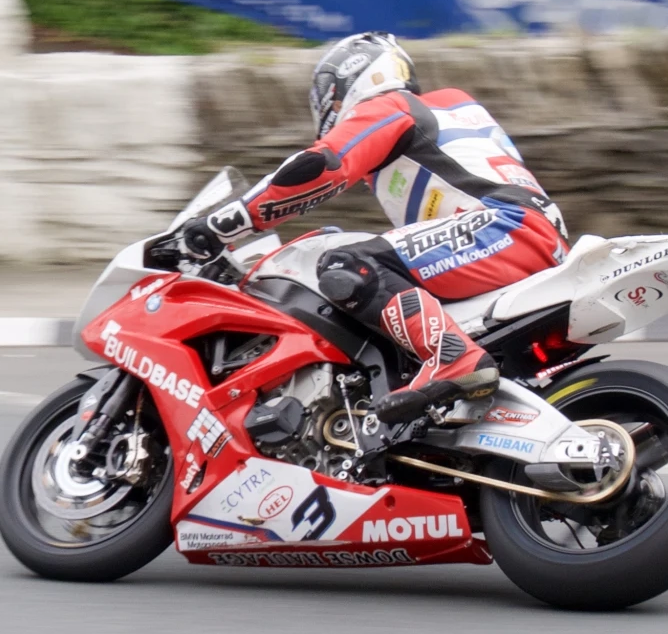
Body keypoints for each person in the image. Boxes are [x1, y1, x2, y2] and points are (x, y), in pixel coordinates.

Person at [175, 32, 570, 423]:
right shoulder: (446, 110)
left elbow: (323, 166)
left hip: (504, 228)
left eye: (329, 97)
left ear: (354, 78)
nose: (329, 111)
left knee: (347, 267)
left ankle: (453, 358)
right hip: (527, 236)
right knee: (379, 281)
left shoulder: (391, 106)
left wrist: (227, 223)